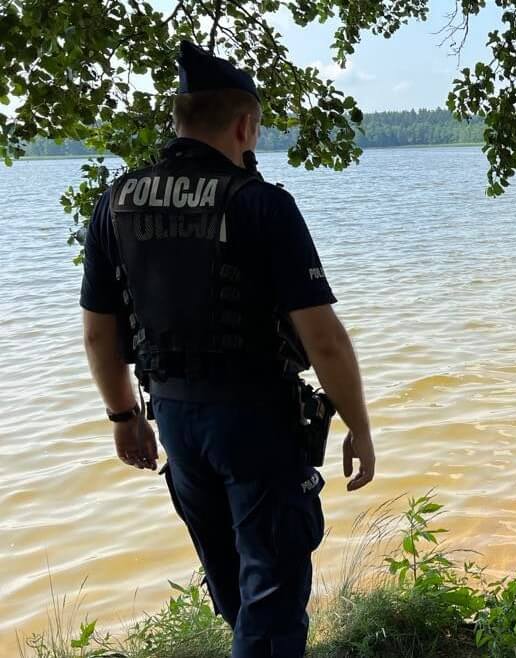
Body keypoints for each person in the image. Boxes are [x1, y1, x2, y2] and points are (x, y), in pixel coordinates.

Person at [80, 41, 376, 657]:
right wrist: (359, 425)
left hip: (175, 420)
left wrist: (123, 417)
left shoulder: (115, 203)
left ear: (178, 120)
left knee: (237, 589)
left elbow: (98, 332)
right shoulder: (260, 204)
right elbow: (324, 338)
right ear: (244, 126)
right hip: (255, 421)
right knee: (271, 598)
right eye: (256, 131)